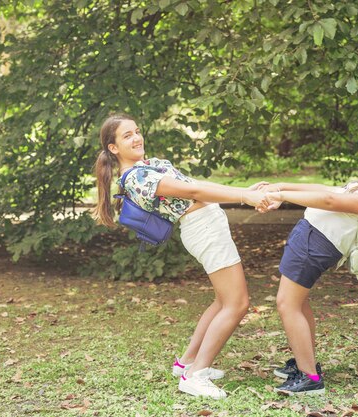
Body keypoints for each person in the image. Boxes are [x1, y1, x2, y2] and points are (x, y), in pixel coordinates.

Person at [93, 114, 266, 400]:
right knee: (238, 304)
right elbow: (194, 191)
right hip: (204, 230)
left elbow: (195, 184)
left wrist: (243, 192)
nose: (137, 138)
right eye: (127, 136)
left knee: (224, 301)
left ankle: (186, 362)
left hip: (208, 224)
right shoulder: (138, 177)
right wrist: (244, 197)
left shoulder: (150, 165)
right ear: (113, 148)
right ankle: (196, 375)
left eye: (137, 131)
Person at [257, 141, 358, 395]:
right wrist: (280, 186)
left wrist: (280, 195)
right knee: (298, 303)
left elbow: (330, 201)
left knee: (286, 304)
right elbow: (324, 189)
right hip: (310, 236)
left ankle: (310, 377)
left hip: (317, 243)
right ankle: (306, 362)